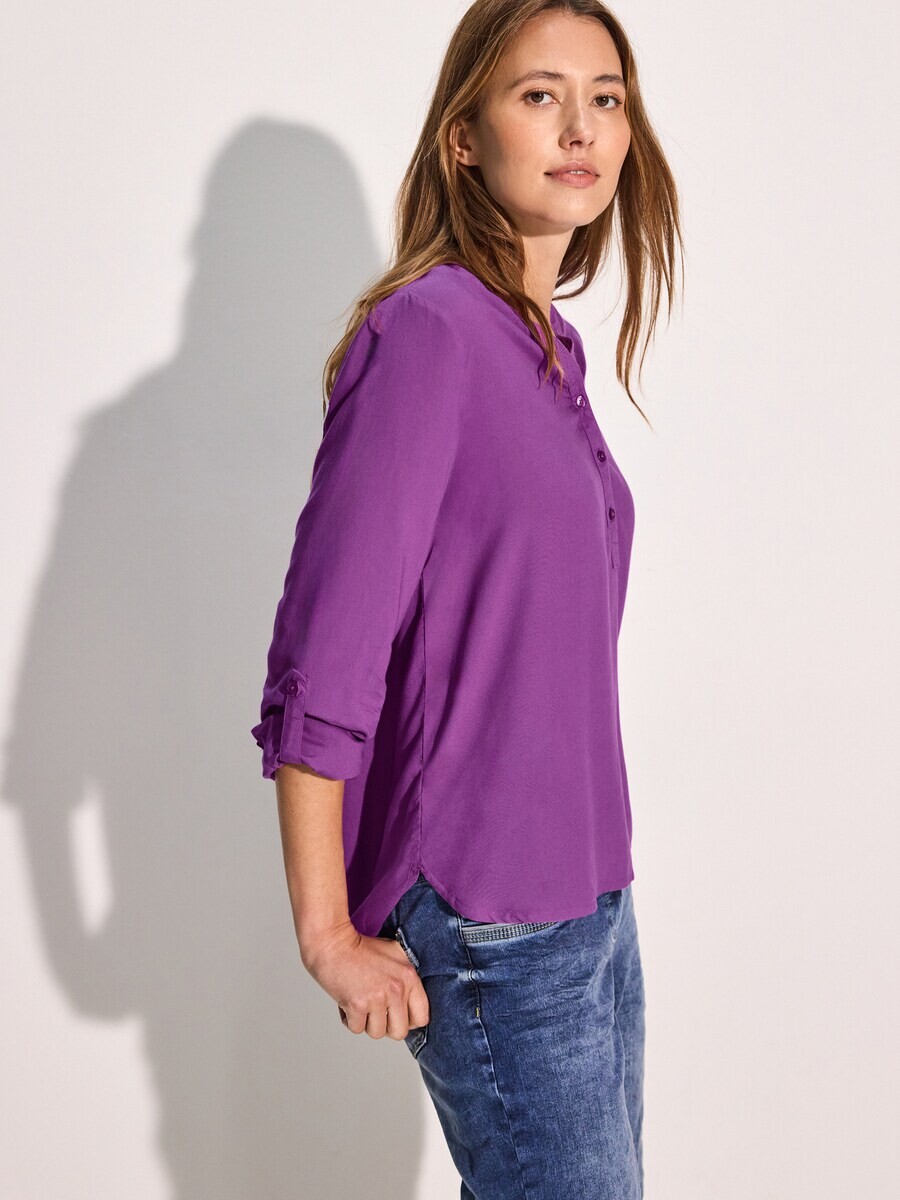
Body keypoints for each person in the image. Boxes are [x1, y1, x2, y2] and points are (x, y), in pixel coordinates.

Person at [250, 1, 682, 1195]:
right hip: (491, 907)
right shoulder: (428, 332)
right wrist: (326, 931)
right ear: (464, 137)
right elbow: (327, 647)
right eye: (540, 96)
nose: (581, 127)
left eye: (605, 98)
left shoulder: (547, 346)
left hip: (591, 892)